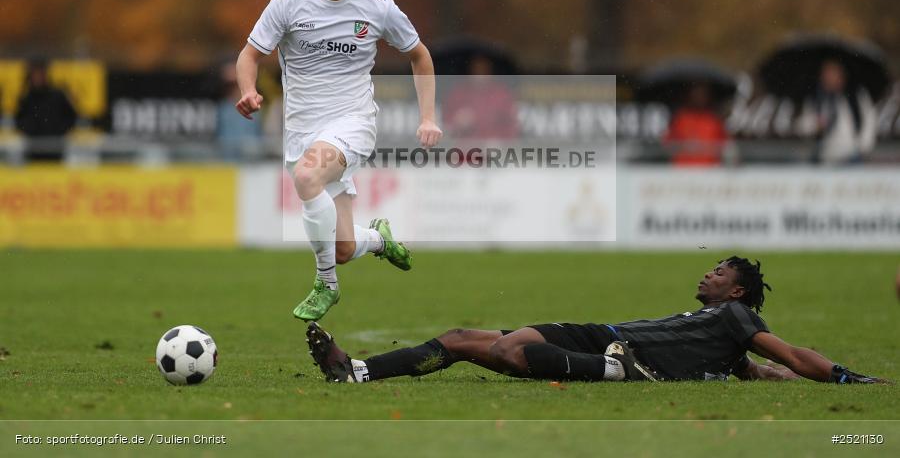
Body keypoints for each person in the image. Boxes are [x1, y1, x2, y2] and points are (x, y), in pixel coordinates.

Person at [235, 0, 442, 322]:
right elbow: (249, 55)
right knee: (343, 247)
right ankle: (378, 240)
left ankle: (325, 284)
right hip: (302, 132)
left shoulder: (377, 6)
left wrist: (428, 117)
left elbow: (420, 55)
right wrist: (248, 89)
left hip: (352, 123)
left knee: (309, 177)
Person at [307, 257, 886, 385]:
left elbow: (789, 358)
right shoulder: (724, 340)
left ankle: (611, 374)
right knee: (462, 338)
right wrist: (766, 375)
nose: (707, 275)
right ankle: (356, 372)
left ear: (736, 291)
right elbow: (762, 373)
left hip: (627, 359)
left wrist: (845, 378)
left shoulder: (736, 317)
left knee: (507, 351)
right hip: (604, 335)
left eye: (718, 272)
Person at [808, 59, 877, 164]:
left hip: (853, 154)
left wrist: (863, 148)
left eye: (833, 73)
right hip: (826, 156)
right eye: (826, 73)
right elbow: (805, 124)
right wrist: (814, 125)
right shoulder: (817, 98)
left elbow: (869, 120)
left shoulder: (856, 95)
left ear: (842, 75)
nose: (829, 77)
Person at [14, 59, 77, 162]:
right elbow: (18, 120)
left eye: (40, 74)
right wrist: (30, 130)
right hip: (33, 149)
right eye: (35, 75)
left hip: (55, 148)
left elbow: (71, 116)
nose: (37, 78)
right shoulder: (26, 97)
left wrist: (59, 131)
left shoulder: (57, 95)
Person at [663, 82, 730, 166]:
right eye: (696, 92)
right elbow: (668, 143)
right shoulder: (681, 118)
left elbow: (726, 145)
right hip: (683, 170)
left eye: (703, 93)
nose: (699, 96)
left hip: (710, 170)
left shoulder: (713, 119)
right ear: (690, 94)